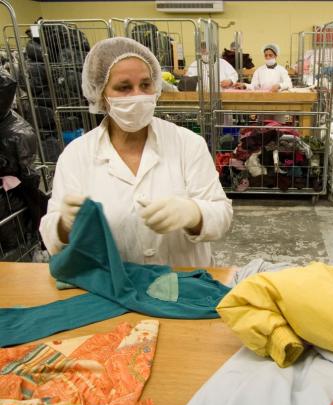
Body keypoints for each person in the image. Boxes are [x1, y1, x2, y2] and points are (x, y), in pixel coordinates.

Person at [39, 37, 232, 267]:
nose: (138, 95)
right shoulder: (76, 155)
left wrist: (194, 214)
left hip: (184, 287)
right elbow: (50, 235)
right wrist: (64, 226)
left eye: (145, 84)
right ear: (101, 93)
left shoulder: (187, 144)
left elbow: (222, 215)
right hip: (110, 289)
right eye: (124, 87)